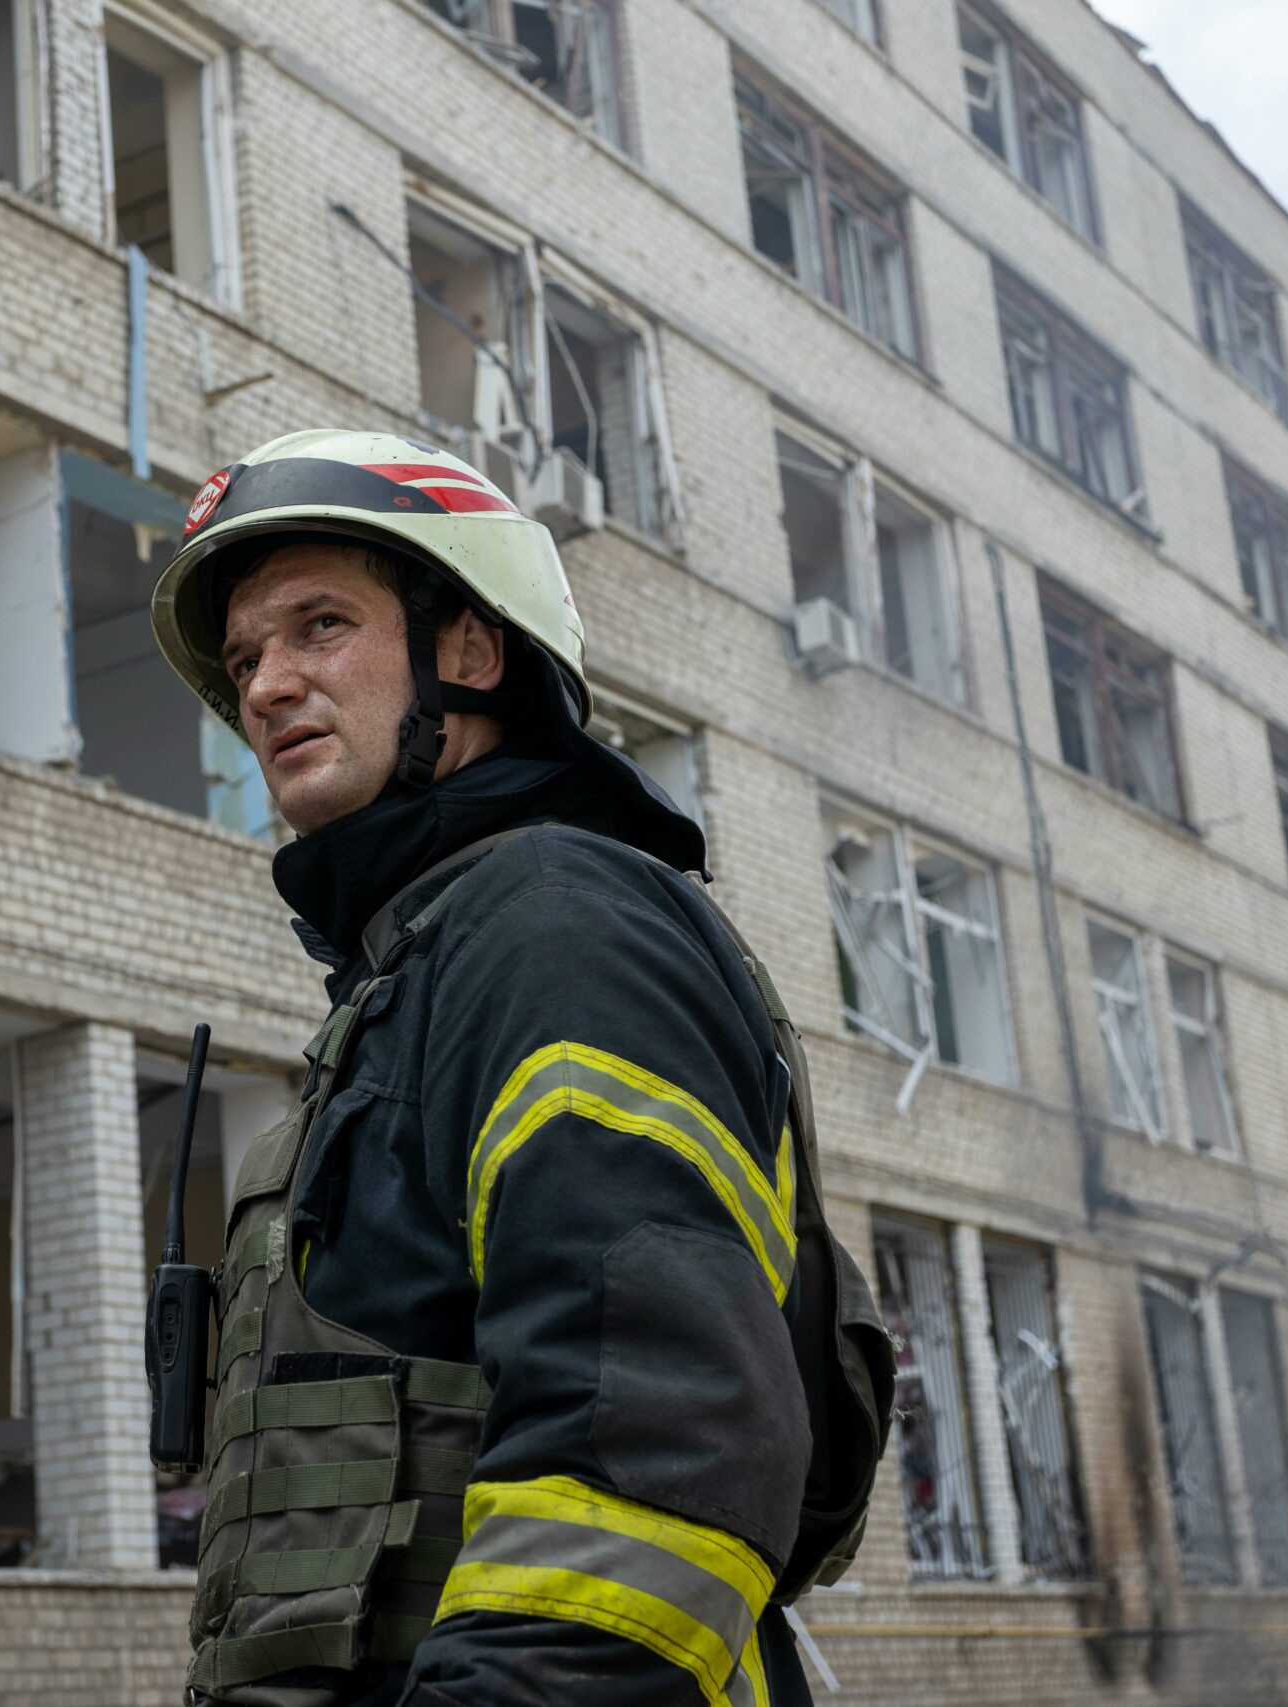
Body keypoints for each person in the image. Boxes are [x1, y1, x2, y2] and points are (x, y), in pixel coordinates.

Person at [148, 430, 890, 1706]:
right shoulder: (421, 970)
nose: (268, 684)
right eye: (246, 657)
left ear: (471, 653)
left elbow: (659, 1443)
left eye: (319, 626)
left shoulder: (555, 923)